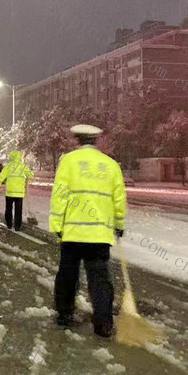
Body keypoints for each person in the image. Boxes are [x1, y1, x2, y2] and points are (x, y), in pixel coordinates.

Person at [50, 124, 127, 339]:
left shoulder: (68, 162)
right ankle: (103, 323)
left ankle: (64, 315)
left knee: (67, 275)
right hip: (99, 236)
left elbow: (60, 195)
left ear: (77, 140)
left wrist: (57, 225)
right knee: (100, 279)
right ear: (96, 141)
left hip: (73, 233)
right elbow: (118, 199)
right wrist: (119, 224)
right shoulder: (111, 165)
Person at [0, 150, 35, 231]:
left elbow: (1, 176)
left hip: (9, 193)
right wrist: (28, 173)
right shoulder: (23, 167)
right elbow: (31, 176)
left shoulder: (8, 166)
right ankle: (17, 226)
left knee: (8, 209)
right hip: (19, 194)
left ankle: (9, 224)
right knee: (18, 211)